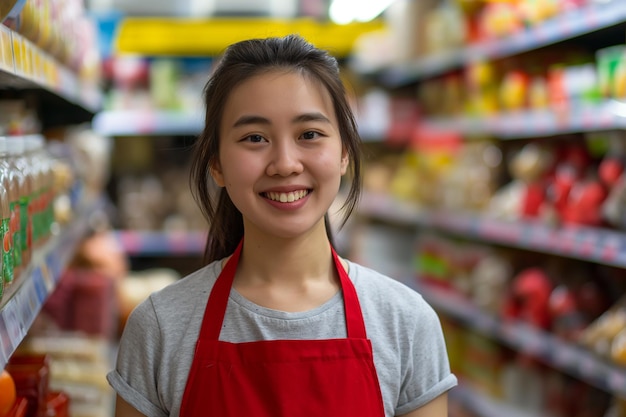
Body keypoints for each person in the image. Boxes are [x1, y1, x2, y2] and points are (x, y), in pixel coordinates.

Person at [107, 34, 457, 417]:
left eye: (309, 134)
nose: (285, 163)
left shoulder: (405, 322)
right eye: (254, 138)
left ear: (343, 153)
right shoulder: (160, 328)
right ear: (217, 164)